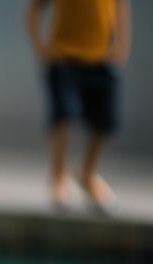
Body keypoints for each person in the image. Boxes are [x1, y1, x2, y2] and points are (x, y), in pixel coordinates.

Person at [26, 0, 132, 213]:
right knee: (63, 115)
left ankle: (88, 174)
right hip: (65, 55)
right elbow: (34, 10)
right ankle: (58, 176)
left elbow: (121, 9)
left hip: (101, 57)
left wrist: (121, 48)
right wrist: (41, 48)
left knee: (104, 121)